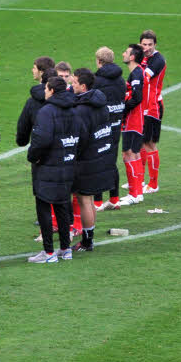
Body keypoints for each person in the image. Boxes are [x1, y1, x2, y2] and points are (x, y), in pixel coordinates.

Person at [27, 76, 82, 264]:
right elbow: (81, 135)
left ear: (51, 90)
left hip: (48, 167)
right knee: (62, 205)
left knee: (43, 206)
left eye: (46, 89)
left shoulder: (46, 111)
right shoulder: (75, 109)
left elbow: (41, 140)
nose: (44, 92)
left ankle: (49, 253)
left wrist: (33, 157)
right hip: (68, 165)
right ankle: (66, 249)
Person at [71, 68, 111, 252]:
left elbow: (81, 138)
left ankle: (87, 242)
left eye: (74, 83)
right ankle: (90, 238)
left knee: (84, 199)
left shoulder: (81, 110)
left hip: (86, 159)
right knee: (90, 199)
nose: (72, 86)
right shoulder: (101, 102)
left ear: (83, 86)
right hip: (101, 156)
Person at [93, 46, 126, 211]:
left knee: (98, 162)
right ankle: (114, 199)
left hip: (101, 127)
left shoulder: (96, 81)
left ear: (99, 61)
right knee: (111, 161)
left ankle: (97, 202)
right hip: (116, 125)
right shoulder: (121, 80)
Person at [139, 29, 166, 194]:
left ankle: (154, 184)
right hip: (143, 106)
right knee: (141, 142)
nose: (146, 47)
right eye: (144, 44)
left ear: (155, 44)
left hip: (153, 107)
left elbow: (144, 77)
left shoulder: (158, 60)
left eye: (150, 45)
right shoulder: (144, 56)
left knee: (150, 144)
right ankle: (139, 179)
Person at [118, 43, 146, 206]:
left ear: (133, 57)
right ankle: (138, 192)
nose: (123, 54)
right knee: (134, 154)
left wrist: (122, 107)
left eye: (126, 52)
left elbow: (137, 98)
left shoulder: (136, 74)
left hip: (132, 119)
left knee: (128, 154)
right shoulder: (138, 72)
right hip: (138, 119)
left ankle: (133, 193)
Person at [15, 56, 55, 147]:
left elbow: (23, 127)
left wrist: (21, 141)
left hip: (40, 150)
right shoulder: (65, 96)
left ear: (41, 72)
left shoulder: (32, 102)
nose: (32, 70)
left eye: (34, 68)